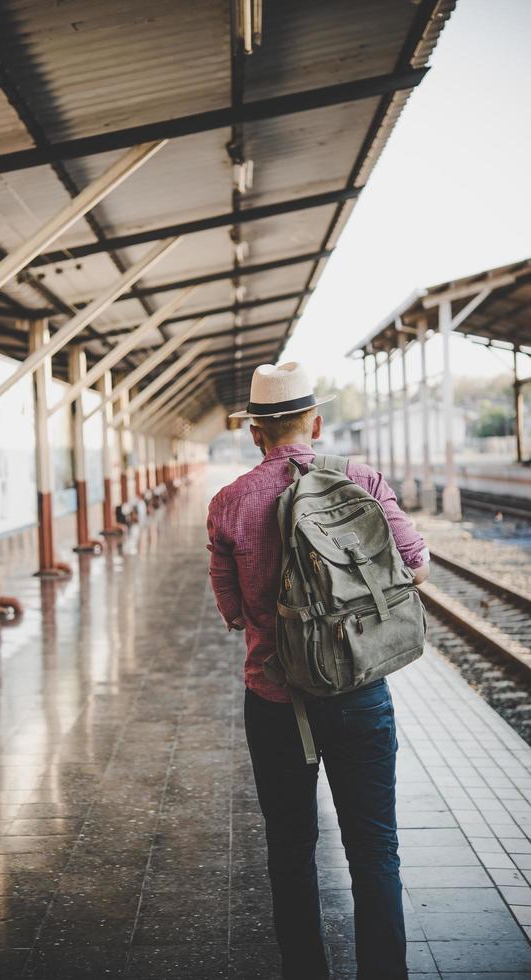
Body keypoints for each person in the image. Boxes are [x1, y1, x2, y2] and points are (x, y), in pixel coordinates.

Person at [206, 362, 430, 980]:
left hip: (276, 702)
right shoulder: (360, 478)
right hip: (360, 691)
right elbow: (415, 566)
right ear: (317, 423)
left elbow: (231, 613)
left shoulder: (228, 504)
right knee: (375, 850)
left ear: (255, 432)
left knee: (291, 848)